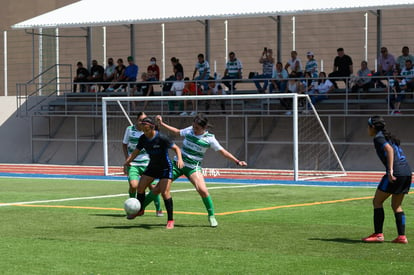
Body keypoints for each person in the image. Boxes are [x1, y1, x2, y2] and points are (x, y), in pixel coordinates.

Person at [154, 113, 247, 227]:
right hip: (178, 163)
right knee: (158, 188)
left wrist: (237, 161)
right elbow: (177, 132)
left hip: (193, 167)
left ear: (204, 128)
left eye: (197, 128)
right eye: (193, 127)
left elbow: (222, 152)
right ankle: (140, 209)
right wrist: (162, 124)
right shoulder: (190, 130)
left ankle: (211, 215)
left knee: (202, 190)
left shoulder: (210, 139)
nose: (194, 130)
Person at [123, 117, 184, 229]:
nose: (144, 131)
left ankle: (170, 220)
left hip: (165, 167)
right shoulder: (143, 138)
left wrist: (180, 159)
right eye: (143, 129)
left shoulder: (161, 138)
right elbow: (135, 153)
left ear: (152, 127)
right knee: (140, 187)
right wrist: (126, 163)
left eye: (146, 129)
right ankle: (140, 210)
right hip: (153, 166)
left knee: (165, 193)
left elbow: (176, 148)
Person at [362, 116, 411, 244]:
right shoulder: (389, 137)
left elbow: (389, 150)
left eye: (368, 126)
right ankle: (402, 237)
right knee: (396, 205)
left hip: (396, 173)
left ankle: (378, 234)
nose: (367, 129)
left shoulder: (378, 138)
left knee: (377, 202)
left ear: (372, 127)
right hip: (406, 172)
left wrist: (390, 171)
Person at [122, 112, 163, 218]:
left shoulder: (149, 131)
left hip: (147, 163)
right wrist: (127, 159)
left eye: (144, 120)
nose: (142, 122)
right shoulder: (129, 129)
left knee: (152, 186)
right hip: (133, 163)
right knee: (133, 185)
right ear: (137, 120)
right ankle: (133, 207)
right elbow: (124, 144)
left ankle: (158, 209)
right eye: (140, 120)